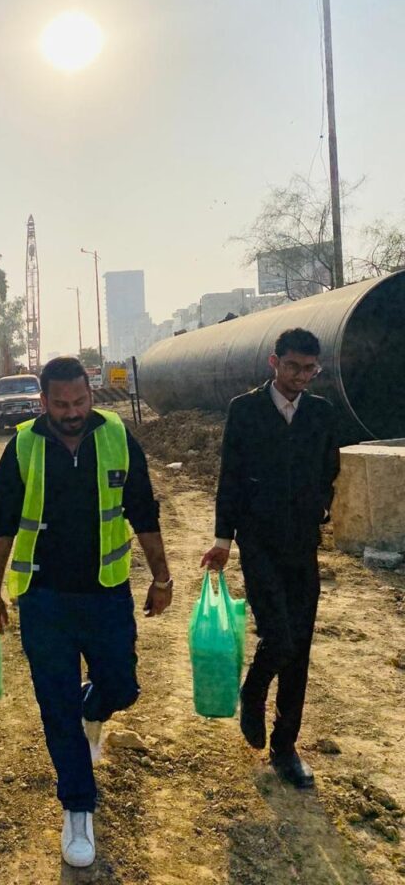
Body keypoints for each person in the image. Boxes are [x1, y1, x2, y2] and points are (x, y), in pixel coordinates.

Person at [0, 356, 172, 869]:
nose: (72, 413)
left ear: (91, 395)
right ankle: (78, 808)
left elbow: (143, 511)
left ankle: (95, 706)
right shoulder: (22, 447)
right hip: (44, 599)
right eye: (61, 404)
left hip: (106, 594)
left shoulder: (117, 437)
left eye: (80, 402)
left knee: (122, 687)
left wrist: (162, 577)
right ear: (43, 402)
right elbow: (1, 527)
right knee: (55, 705)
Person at [202, 328, 340, 789]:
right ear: (273, 362)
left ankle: (285, 748)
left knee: (300, 647)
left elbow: (329, 469)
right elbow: (230, 478)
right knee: (278, 637)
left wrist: (321, 507)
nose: (300, 376)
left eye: (309, 369)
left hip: (302, 543)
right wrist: (223, 540)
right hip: (258, 542)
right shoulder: (245, 410)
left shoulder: (321, 413)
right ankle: (254, 688)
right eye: (293, 366)